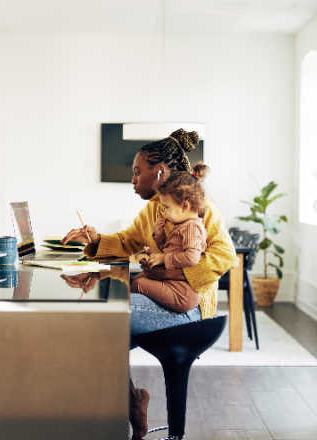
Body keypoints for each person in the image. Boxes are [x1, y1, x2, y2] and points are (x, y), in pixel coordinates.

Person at [62, 128, 237, 439]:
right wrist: (95, 239)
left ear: (159, 172)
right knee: (100, 319)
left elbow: (225, 255)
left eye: (136, 172)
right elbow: (128, 241)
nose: (133, 180)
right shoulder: (155, 206)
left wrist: (172, 274)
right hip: (163, 294)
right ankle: (130, 404)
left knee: (104, 320)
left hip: (190, 309)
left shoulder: (195, 205)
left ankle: (124, 408)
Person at [131, 166, 209, 314]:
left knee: (138, 283)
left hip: (182, 293)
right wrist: (159, 235)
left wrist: (163, 258)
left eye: (166, 207)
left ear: (185, 206)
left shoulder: (192, 227)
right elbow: (171, 249)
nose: (164, 213)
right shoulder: (181, 225)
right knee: (138, 278)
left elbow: (192, 257)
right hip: (173, 284)